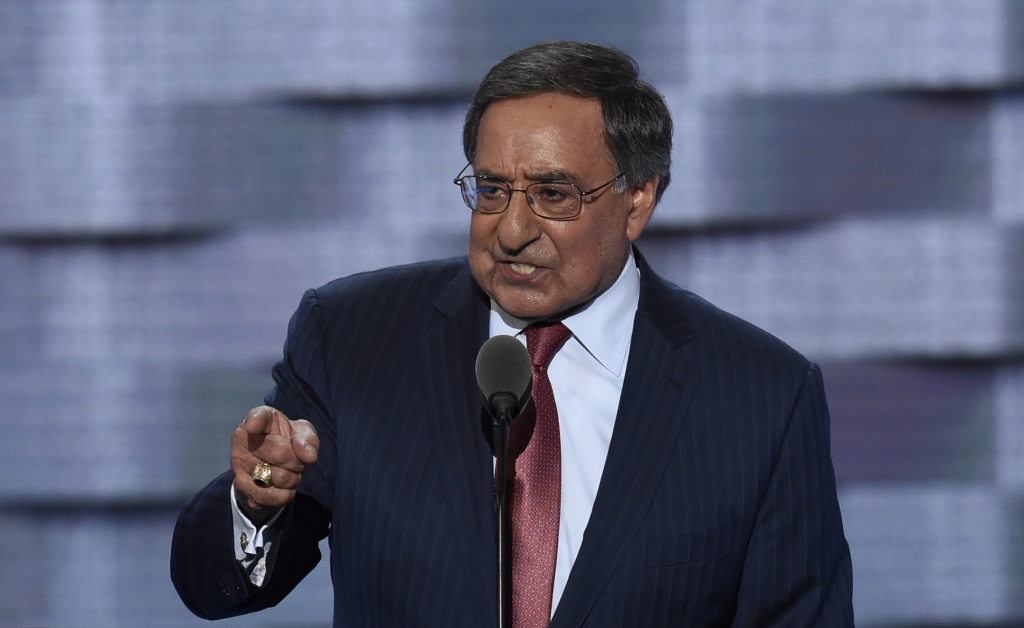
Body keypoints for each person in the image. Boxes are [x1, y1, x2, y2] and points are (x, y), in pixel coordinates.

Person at [171, 41, 854, 627]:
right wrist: (257, 499)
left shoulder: (762, 395)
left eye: (554, 195)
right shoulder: (352, 337)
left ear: (638, 198)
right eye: (492, 190)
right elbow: (217, 590)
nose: (513, 230)